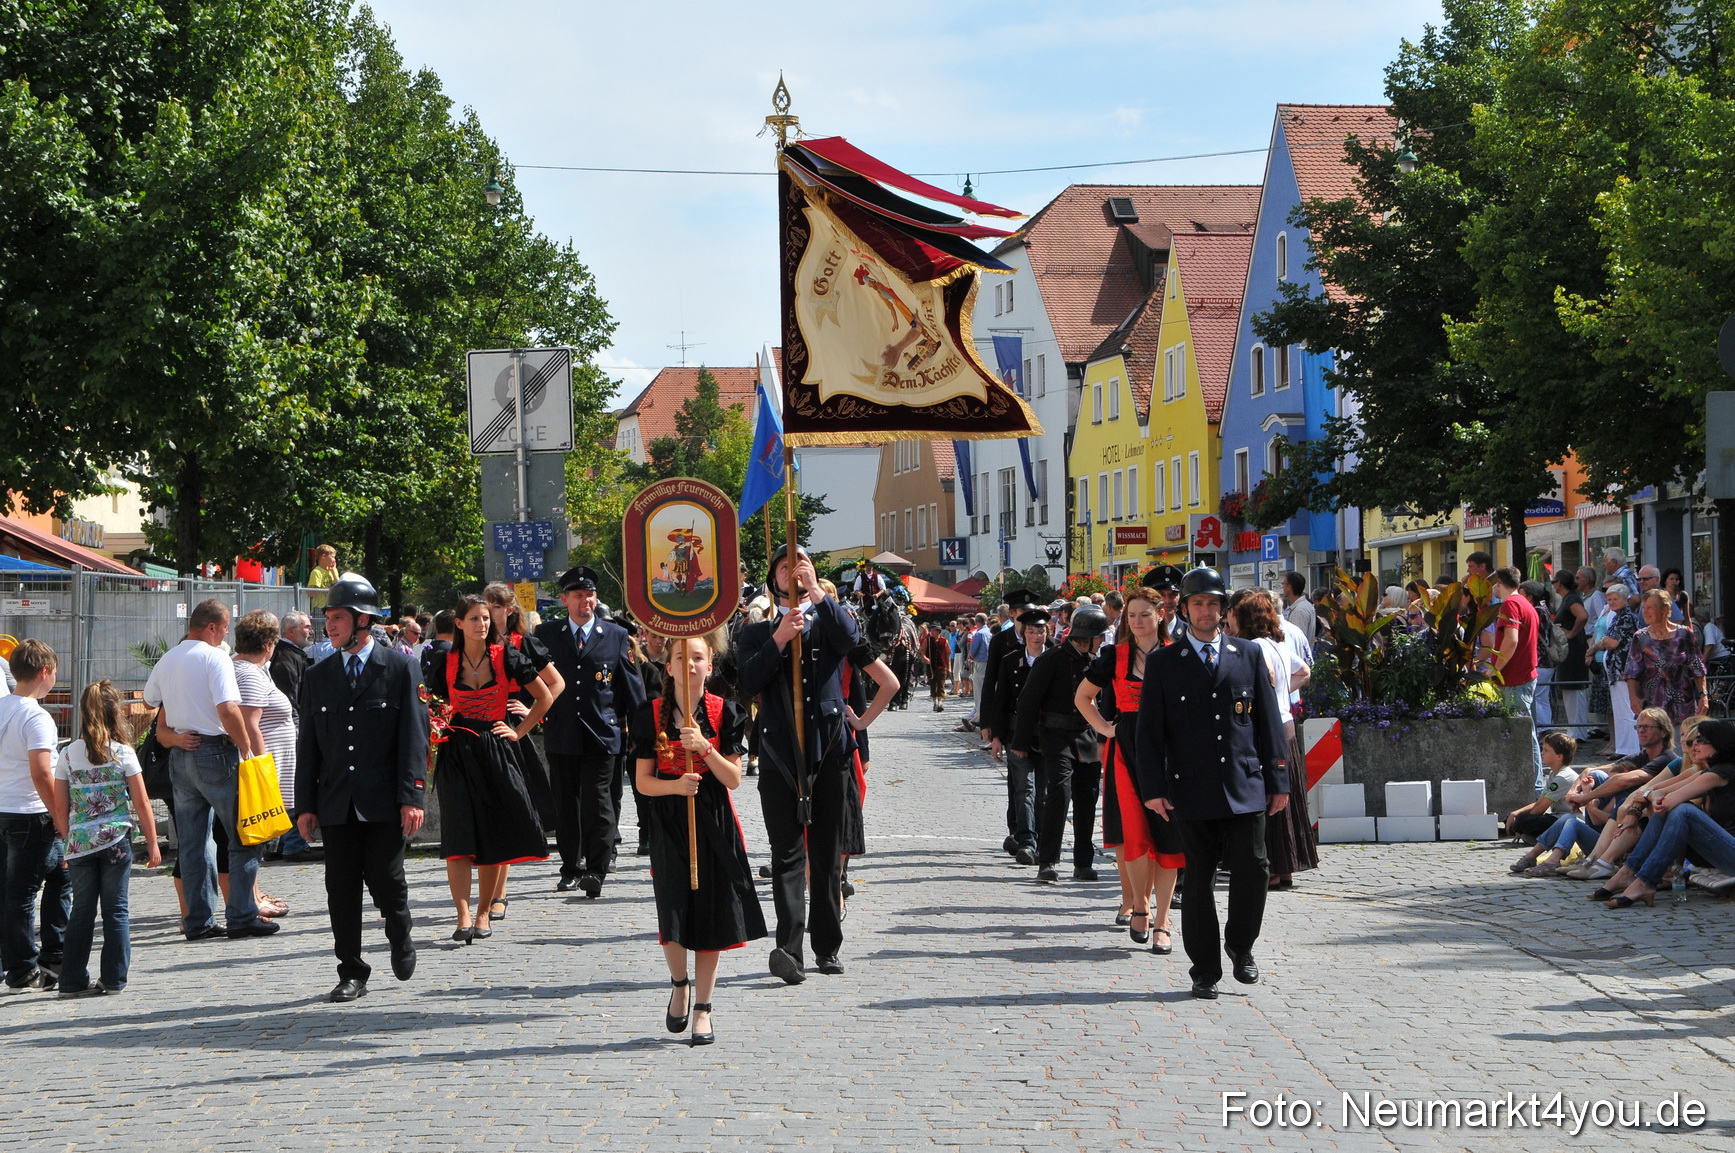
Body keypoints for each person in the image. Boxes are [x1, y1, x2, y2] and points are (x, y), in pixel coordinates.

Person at [1135, 567, 1289, 1001]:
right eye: (1198, 603)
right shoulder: (1165, 662)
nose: (1206, 611)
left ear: (1224, 610)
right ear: (1183, 610)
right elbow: (1149, 733)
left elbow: (1268, 723)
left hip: (1245, 784)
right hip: (1191, 787)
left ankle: (1241, 947)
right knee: (1198, 879)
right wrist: (1153, 788)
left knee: (1254, 870)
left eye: (1214, 603)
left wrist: (1279, 780)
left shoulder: (1248, 654)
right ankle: (1204, 968)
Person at [294, 574, 429, 1002]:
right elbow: (308, 746)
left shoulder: (400, 667)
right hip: (336, 801)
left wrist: (413, 796)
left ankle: (400, 932)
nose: (328, 626)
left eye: (337, 618)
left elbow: (415, 737)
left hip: (385, 800)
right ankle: (351, 969)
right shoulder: (317, 675)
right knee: (341, 888)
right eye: (327, 618)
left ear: (363, 621)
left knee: (387, 880)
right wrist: (305, 805)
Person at [631, 631, 766, 1046]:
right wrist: (676, 787)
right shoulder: (648, 712)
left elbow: (734, 779)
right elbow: (642, 782)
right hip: (670, 818)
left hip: (713, 816)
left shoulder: (725, 711)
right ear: (667, 666)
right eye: (680, 658)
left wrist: (706, 748)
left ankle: (704, 1007)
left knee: (712, 913)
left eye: (697, 658)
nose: (689, 665)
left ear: (710, 665)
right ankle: (679, 983)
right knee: (672, 911)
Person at [737, 544, 863, 983]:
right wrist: (779, 639)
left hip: (827, 750)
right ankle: (788, 949)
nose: (794, 573)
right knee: (787, 855)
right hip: (779, 755)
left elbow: (851, 640)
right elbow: (747, 681)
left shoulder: (829, 619)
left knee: (826, 856)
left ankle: (827, 946)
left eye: (802, 566)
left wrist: (819, 595)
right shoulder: (756, 631)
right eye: (786, 567)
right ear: (774, 579)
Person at [144, 599, 274, 940]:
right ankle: (243, 915)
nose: (228, 632)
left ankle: (198, 920)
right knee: (243, 834)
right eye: (226, 625)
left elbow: (150, 700)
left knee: (192, 841)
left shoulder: (168, 657)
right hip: (216, 752)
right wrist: (245, 747)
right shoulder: (215, 656)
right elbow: (228, 708)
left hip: (181, 754)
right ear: (212, 627)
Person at [427, 594, 552, 943]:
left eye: (485, 618)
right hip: (456, 750)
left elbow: (545, 696)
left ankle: (484, 911)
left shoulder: (506, 655)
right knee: (458, 833)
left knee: (495, 830)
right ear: (459, 623)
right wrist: (434, 726)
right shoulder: (444, 660)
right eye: (474, 619)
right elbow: (431, 702)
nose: (482, 624)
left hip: (495, 747)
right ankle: (462, 914)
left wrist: (519, 730)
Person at [1076, 584, 1183, 954]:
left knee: (1169, 838)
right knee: (1135, 837)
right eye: (1131, 615)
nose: (1137, 622)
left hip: (1170, 752)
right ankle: (1140, 903)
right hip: (1128, 751)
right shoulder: (1115, 656)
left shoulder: (1178, 655)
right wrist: (1107, 728)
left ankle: (1164, 919)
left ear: (1161, 615)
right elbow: (1082, 697)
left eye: (1144, 615)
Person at [533, 566, 642, 898]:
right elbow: (531, 679)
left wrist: (642, 732)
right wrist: (526, 707)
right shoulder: (547, 636)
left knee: (598, 802)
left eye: (590, 595)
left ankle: (597, 867)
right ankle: (570, 867)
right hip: (562, 732)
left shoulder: (616, 635)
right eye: (579, 596)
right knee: (566, 804)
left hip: (602, 733)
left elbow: (631, 688)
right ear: (565, 600)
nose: (586, 601)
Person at [49, 680, 161, 997]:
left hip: (80, 843)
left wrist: (70, 839)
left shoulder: (68, 754)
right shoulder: (123, 753)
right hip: (116, 840)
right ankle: (113, 979)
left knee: (82, 910)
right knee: (117, 910)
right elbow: (141, 802)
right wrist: (152, 842)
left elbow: (60, 806)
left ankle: (70, 980)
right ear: (117, 714)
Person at [481, 583, 564, 920]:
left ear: (509, 610)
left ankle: (499, 893)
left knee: (509, 807)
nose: (490, 612)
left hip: (509, 729)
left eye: (496, 606)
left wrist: (528, 716)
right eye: (485, 606)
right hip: (477, 726)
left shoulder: (523, 642)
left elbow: (555, 684)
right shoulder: (474, 642)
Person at [1013, 603, 1110, 884]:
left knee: (1087, 798)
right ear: (1087, 635)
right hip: (1055, 738)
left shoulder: (1095, 661)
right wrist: (1021, 742)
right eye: (1099, 636)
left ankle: (1083, 862)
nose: (1103, 640)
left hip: (1087, 738)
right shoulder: (1052, 659)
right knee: (1059, 794)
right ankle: (1048, 860)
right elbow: (1028, 701)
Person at [1228, 588, 1317, 890]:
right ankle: (1287, 866)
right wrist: (1283, 692)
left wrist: (1265, 695)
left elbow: (1264, 676)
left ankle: (1275, 868)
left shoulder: (1254, 646)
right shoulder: (1276, 643)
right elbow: (1304, 671)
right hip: (1287, 721)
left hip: (1268, 726)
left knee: (1270, 800)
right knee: (1287, 801)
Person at [1598, 718, 1735, 907]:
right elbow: (1655, 792)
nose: (1694, 745)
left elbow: (1667, 800)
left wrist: (1653, 799)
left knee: (1683, 810)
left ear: (1719, 745)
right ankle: (1630, 873)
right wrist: (1637, 809)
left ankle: (1643, 879)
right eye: (1692, 741)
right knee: (1676, 810)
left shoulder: (1722, 773)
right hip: (1714, 852)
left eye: (1701, 740)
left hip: (1729, 852)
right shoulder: (1705, 772)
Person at [1, 639, 65, 991]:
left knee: (54, 876)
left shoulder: (1, 707)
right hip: (29, 812)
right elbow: (42, 773)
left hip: (4, 808)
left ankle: (48, 952)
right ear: (45, 672)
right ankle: (24, 967)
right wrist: (60, 816)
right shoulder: (36, 716)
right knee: (22, 894)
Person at [990, 607, 1053, 866]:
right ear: (1023, 633)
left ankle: (1040, 840)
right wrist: (996, 736)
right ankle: (1026, 841)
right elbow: (1000, 700)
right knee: (1024, 787)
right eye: (1031, 631)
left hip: (1049, 734)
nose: (1036, 635)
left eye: (1040, 630)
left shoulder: (1057, 658)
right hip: (1017, 733)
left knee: (1044, 791)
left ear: (1047, 632)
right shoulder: (1011, 660)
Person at [1489, 568, 1543, 792]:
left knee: (1522, 733)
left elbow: (1511, 641)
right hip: (1523, 675)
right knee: (1524, 731)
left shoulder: (1510, 605)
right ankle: (1535, 785)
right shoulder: (1525, 603)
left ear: (1499, 583)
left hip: (1513, 678)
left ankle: (1535, 786)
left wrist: (1495, 670)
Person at [1624, 588, 1708, 728]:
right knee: (1655, 747)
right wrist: (1633, 699)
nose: (1645, 611)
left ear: (1665, 609)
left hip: (1682, 705)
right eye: (1643, 607)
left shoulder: (1684, 635)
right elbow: (1632, 672)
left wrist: (1703, 695)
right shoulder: (1640, 637)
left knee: (1683, 746)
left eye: (1650, 607)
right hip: (1651, 706)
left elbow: (1698, 667)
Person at [1596, 583, 1643, 754]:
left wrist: (1603, 642)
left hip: (1624, 670)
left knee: (1626, 709)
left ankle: (1629, 750)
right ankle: (1623, 749)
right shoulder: (1616, 616)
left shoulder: (1625, 617)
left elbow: (1612, 642)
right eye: (1609, 599)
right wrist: (1605, 642)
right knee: (1619, 711)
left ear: (1625, 599)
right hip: (1616, 671)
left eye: (1615, 599)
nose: (1612, 602)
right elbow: (1607, 640)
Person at [1551, 571, 1591, 737]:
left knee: (1573, 689)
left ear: (1559, 583)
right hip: (1571, 650)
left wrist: (1572, 633)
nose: (1553, 585)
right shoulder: (1568, 599)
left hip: (1572, 650)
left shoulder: (1571, 599)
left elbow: (1583, 616)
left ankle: (1577, 731)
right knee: (1571, 691)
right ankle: (1577, 729)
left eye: (1554, 581)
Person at [920, 623, 950, 712]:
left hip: (942, 666)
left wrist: (949, 667)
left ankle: (940, 703)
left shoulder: (944, 641)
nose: (932, 632)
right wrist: (925, 658)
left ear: (938, 631)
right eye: (931, 630)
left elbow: (948, 654)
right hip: (931, 667)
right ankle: (935, 702)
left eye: (934, 630)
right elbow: (921, 651)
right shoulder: (927, 641)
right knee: (933, 684)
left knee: (941, 685)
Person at [1281, 571, 1316, 645]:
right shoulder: (1303, 606)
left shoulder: (1299, 610)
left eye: (1283, 584)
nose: (1282, 587)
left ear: (1289, 587)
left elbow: (1297, 640)